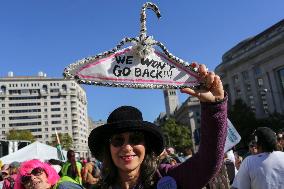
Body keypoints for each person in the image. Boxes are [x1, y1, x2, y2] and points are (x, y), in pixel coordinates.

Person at [88, 64, 228, 189]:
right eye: (118, 140)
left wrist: (214, 107)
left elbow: (206, 164)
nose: (127, 147)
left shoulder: (166, 177)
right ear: (109, 147)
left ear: (146, 145)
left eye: (135, 139)